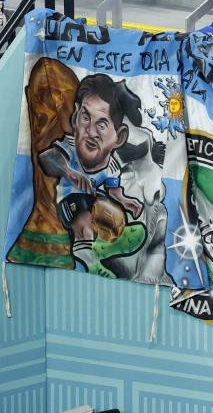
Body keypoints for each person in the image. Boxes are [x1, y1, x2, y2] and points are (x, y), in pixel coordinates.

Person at [38, 74, 143, 278]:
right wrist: (69, 171)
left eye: (102, 124)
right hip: (69, 202)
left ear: (119, 137)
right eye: (86, 117)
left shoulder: (111, 166)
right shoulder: (69, 149)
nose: (91, 131)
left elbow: (114, 191)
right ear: (75, 117)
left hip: (92, 202)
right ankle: (91, 261)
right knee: (84, 218)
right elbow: (48, 157)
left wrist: (126, 202)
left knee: (111, 209)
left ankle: (110, 241)